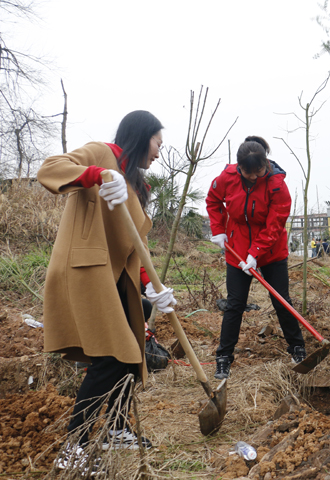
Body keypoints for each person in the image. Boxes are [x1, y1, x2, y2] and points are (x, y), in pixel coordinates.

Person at [38, 111, 177, 470]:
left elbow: (134, 246)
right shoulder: (102, 154)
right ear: (142, 135)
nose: (159, 153)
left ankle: (115, 427)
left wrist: (153, 288)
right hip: (84, 271)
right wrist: (99, 175)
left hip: (115, 278)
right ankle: (75, 448)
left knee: (131, 351)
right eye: (158, 143)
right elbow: (51, 168)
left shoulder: (138, 186)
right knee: (113, 356)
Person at [207, 136, 306, 379]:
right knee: (235, 304)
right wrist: (218, 229)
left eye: (258, 171)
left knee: (281, 299)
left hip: (271, 249)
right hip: (237, 248)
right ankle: (223, 357)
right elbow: (213, 200)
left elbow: (275, 223)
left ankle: (298, 348)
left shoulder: (276, 184)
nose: (253, 176)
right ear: (239, 167)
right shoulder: (227, 178)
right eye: (248, 172)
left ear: (266, 164)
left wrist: (256, 252)